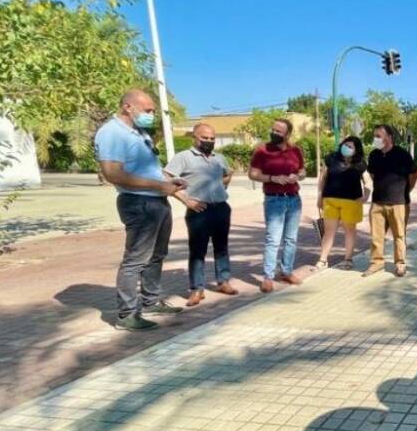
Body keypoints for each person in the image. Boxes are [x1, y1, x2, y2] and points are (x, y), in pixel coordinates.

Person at [95, 89, 187, 331]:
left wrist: (171, 182)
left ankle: (151, 301)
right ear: (128, 107)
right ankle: (127, 315)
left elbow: (148, 169)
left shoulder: (138, 133)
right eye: (148, 110)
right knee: (136, 260)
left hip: (157, 201)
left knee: (157, 255)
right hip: (138, 203)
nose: (151, 115)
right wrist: (159, 185)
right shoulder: (112, 133)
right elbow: (113, 173)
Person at [164, 122, 238, 307]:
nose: (209, 141)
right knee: (198, 251)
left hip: (221, 208)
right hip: (199, 211)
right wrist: (185, 199)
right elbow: (165, 180)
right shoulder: (183, 158)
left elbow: (226, 175)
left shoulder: (219, 158)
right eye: (204, 138)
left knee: (222, 247)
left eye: (212, 138)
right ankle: (197, 289)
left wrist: (225, 181)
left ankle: (223, 281)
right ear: (194, 137)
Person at [248, 118, 306, 293]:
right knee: (273, 240)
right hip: (274, 199)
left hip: (294, 199)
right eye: (273, 130)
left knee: (291, 238)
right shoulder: (262, 150)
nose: (274, 133)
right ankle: (268, 277)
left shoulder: (296, 150)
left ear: (287, 134)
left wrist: (298, 176)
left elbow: (303, 171)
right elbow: (253, 174)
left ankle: (287, 271)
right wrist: (272, 178)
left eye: (279, 131)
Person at [364, 124, 415, 277]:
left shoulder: (403, 154)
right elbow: (372, 175)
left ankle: (400, 264)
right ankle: (376, 263)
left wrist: (405, 191)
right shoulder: (374, 155)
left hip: (398, 202)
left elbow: (412, 177)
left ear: (389, 137)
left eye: (379, 136)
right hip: (377, 202)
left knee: (399, 236)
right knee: (376, 236)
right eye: (375, 136)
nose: (376, 139)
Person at [316, 136, 368, 271]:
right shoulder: (331, 158)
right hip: (330, 200)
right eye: (346, 145)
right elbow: (323, 178)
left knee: (350, 231)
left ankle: (348, 259)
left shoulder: (360, 163)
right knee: (329, 232)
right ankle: (322, 260)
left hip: (351, 202)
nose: (347, 148)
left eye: (351, 146)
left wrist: (366, 196)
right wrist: (320, 196)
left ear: (356, 150)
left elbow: (367, 181)